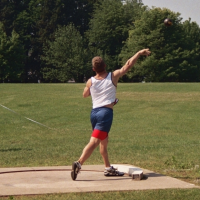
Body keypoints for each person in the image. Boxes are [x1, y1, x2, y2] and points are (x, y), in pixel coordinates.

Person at [71, 49, 151, 180]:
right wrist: (139, 53)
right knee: (95, 141)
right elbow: (128, 64)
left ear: (93, 69)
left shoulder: (90, 81)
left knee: (104, 140)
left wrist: (97, 89)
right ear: (105, 66)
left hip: (94, 113)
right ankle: (79, 163)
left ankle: (108, 168)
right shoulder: (113, 76)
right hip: (105, 114)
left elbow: (85, 95)